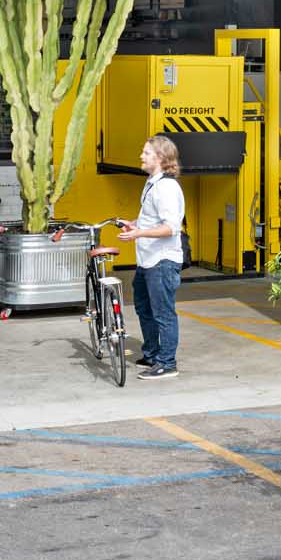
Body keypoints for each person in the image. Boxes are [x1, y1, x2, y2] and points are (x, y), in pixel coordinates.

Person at [110, 134, 186, 382]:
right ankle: (152, 354)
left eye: (146, 153)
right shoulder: (152, 183)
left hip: (162, 261)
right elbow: (153, 219)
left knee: (163, 313)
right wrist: (134, 223)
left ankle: (167, 363)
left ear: (161, 158)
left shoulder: (166, 187)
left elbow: (171, 227)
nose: (141, 156)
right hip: (147, 260)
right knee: (144, 307)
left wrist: (139, 233)